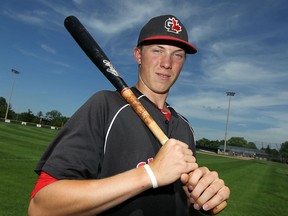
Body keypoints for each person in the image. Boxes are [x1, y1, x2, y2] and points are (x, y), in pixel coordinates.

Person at [28, 14, 230, 216]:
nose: (167, 63)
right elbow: (41, 207)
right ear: (138, 55)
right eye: (157, 51)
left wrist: (199, 199)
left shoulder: (185, 128)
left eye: (177, 54)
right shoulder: (105, 106)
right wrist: (150, 174)